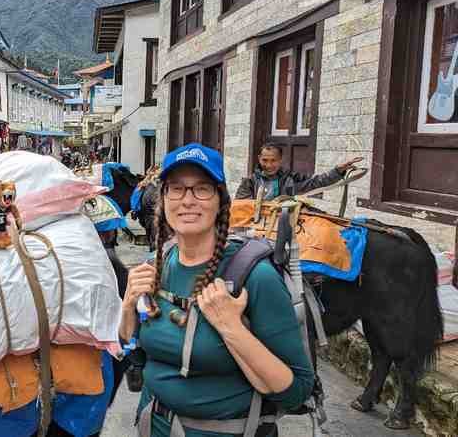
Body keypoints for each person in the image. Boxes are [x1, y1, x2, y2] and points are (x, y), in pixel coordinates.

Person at [120, 143, 315, 436]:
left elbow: (297, 391)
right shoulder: (155, 267)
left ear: (221, 201)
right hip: (153, 426)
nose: (187, 200)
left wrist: (230, 328)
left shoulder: (254, 277)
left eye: (202, 189)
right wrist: (127, 306)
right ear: (162, 198)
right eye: (176, 188)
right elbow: (132, 353)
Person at [235, 143, 362, 200]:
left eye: (273, 160)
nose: (269, 165)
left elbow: (317, 182)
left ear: (280, 160)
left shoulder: (290, 178)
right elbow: (242, 211)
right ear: (259, 159)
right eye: (265, 160)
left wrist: (338, 170)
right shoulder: (249, 183)